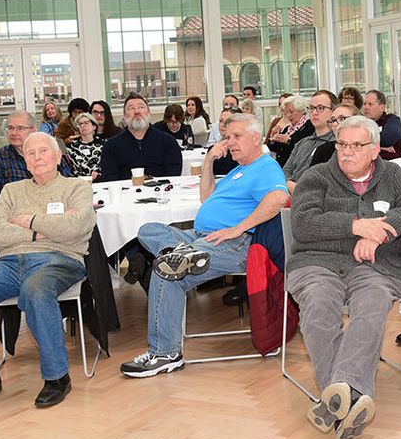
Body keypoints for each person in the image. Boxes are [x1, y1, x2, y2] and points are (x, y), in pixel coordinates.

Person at [288, 115, 401, 439]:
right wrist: (356, 226)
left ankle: (338, 397)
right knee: (319, 304)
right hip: (317, 262)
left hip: (375, 264)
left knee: (373, 301)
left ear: (375, 149)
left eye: (356, 145)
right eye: (341, 144)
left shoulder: (391, 175)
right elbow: (303, 223)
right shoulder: (316, 176)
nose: (346, 152)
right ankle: (349, 396)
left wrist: (380, 233)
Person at [120, 113, 288, 378]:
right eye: (228, 137)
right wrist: (209, 160)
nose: (230, 142)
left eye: (237, 136)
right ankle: (179, 253)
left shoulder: (265, 167)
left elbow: (278, 198)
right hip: (201, 239)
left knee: (165, 271)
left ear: (256, 138)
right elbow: (206, 198)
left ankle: (165, 354)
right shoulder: (238, 170)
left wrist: (238, 228)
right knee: (147, 230)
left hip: (234, 244)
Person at [0, 133, 95, 410]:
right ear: (25, 161)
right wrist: (41, 231)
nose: (37, 157)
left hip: (59, 259)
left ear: (58, 156)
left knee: (36, 290)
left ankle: (57, 377)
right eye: (31, 153)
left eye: (44, 151)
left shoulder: (77, 186)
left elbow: (75, 227)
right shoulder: (11, 191)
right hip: (9, 263)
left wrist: (29, 220)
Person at [0, 110, 72, 205]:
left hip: (55, 207)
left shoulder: (51, 154)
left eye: (20, 128)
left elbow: (68, 185)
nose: (13, 133)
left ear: (33, 130)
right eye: (10, 128)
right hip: (18, 211)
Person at [98, 93, 182, 182]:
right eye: (131, 108)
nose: (137, 112)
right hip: (125, 190)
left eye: (141, 107)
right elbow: (111, 179)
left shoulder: (168, 142)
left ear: (149, 113)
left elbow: (173, 176)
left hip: (161, 188)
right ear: (124, 116)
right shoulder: (111, 146)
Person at [285, 90, 338, 192]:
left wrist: (296, 188)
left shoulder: (337, 145)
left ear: (333, 111)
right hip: (290, 193)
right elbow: (285, 171)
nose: (314, 113)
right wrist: (289, 185)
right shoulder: (302, 143)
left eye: (320, 108)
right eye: (311, 108)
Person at [268, 95, 312, 167]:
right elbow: (273, 149)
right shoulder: (287, 128)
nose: (288, 115)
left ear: (301, 110)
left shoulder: (309, 126)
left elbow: (304, 150)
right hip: (280, 166)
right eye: (286, 112)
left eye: (291, 112)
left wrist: (288, 141)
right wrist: (273, 140)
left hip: (295, 168)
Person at [362, 90, 401, 160]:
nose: (366, 107)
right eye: (364, 104)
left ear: (382, 107)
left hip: (389, 163)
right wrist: (381, 147)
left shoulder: (392, 120)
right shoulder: (361, 122)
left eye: (370, 104)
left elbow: (388, 139)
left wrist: (363, 144)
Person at [65, 112, 105, 178]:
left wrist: (98, 171)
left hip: (101, 178)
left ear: (94, 126)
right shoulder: (72, 147)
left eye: (86, 123)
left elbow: (107, 162)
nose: (83, 125)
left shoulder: (104, 144)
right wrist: (94, 171)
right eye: (80, 124)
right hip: (79, 180)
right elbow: (78, 165)